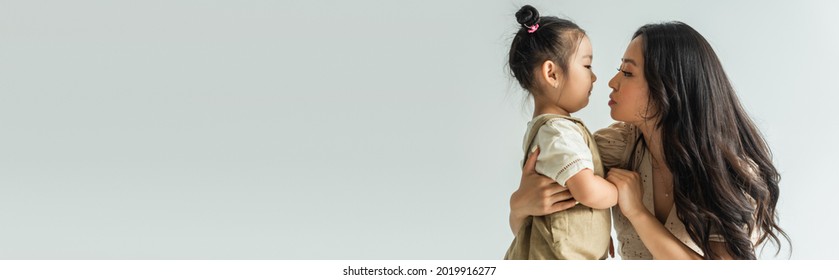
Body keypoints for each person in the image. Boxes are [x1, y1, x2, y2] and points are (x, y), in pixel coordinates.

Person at [509, 21, 789, 259]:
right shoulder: (611, 149)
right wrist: (519, 206)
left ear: (669, 88)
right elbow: (547, 233)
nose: (611, 82)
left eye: (628, 72)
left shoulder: (731, 172)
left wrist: (637, 213)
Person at [503, 5, 618, 260]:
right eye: (587, 66)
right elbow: (587, 190)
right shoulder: (559, 132)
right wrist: (619, 192)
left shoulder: (546, 130)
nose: (595, 77)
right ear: (552, 73)